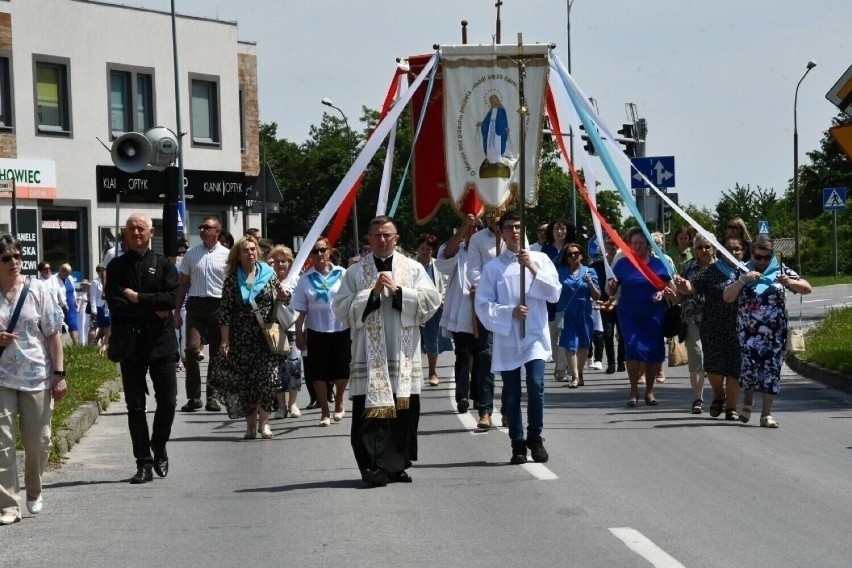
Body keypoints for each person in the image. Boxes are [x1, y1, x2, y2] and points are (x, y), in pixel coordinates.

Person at [332, 216, 440, 486]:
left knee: (403, 411)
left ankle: (396, 465)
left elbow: (432, 301)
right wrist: (372, 294)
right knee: (371, 414)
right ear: (368, 239)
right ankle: (371, 467)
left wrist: (400, 292)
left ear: (397, 238)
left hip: (403, 356)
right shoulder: (355, 273)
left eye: (387, 235)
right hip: (370, 357)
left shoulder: (413, 268)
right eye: (377, 235)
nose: (382, 240)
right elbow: (342, 309)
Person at [474, 212, 561, 464]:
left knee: (536, 385)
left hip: (534, 334)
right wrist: (508, 312)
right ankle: (517, 442)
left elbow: (554, 292)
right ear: (501, 232)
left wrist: (531, 268)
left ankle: (535, 436)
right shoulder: (493, 268)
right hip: (508, 336)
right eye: (509, 227)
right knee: (511, 392)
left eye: (518, 228)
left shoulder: (541, 259)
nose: (514, 232)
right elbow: (482, 304)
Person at [104, 213, 178, 484]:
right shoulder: (117, 266)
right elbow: (116, 305)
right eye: (131, 229)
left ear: (151, 232)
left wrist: (138, 298)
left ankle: (159, 443)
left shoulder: (164, 265)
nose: (136, 233)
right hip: (130, 345)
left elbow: (170, 299)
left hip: (162, 342)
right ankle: (143, 461)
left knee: (168, 402)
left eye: (140, 229)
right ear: (125, 234)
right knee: (135, 407)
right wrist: (151, 306)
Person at [0, 234, 67, 525]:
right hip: (2, 378)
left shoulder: (38, 289)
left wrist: (59, 374)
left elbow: (53, 334)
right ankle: (9, 505)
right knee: (1, 444)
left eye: (18, 256)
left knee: (39, 441)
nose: (14, 262)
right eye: (6, 258)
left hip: (37, 377)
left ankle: (34, 488)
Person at [722, 236, 811, 428]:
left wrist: (789, 282)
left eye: (766, 257)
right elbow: (727, 297)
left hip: (775, 333)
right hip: (748, 334)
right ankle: (748, 401)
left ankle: (766, 415)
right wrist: (742, 281)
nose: (762, 262)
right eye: (758, 257)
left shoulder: (779, 269)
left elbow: (807, 288)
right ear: (751, 253)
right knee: (749, 371)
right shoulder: (741, 270)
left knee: (772, 372)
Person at [213, 236, 282, 439]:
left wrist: (285, 296)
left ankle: (265, 423)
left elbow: (281, 295)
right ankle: (251, 426)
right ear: (238, 255)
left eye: (253, 249)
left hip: (267, 335)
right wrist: (225, 340)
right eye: (246, 250)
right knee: (246, 383)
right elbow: (225, 311)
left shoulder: (269, 274)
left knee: (267, 380)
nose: (251, 253)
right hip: (241, 337)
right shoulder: (232, 280)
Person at [675, 235, 744, 419]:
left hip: (738, 325)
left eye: (737, 249)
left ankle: (731, 408)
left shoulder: (746, 271)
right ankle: (718, 395)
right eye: (730, 250)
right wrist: (683, 285)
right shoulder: (712, 271)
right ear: (722, 252)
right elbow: (692, 286)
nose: (734, 253)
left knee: (734, 368)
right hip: (711, 324)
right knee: (714, 369)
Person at [605, 228, 673, 407]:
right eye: (634, 243)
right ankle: (633, 390)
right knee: (632, 348)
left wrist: (662, 293)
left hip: (653, 314)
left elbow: (670, 288)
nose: (638, 246)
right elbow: (610, 291)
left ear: (648, 245)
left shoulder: (659, 264)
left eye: (642, 243)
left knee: (652, 351)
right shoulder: (622, 264)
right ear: (629, 245)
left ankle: (649, 391)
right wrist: (611, 286)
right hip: (629, 314)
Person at [292, 237, 350, 427]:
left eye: (322, 250)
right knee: (318, 374)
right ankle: (325, 411)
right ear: (310, 255)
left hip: (341, 329)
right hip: (316, 331)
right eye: (315, 251)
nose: (319, 254)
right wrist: (299, 334)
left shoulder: (342, 274)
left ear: (329, 250)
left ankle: (340, 399)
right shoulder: (305, 279)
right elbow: (300, 310)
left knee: (342, 371)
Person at [174, 216, 229, 413]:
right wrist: (177, 311)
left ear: (217, 232)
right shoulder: (191, 254)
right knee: (190, 349)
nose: (203, 230)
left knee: (216, 352)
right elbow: (183, 284)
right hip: (195, 304)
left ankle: (212, 397)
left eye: (207, 227)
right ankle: (194, 397)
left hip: (218, 304)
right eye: (201, 226)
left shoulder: (227, 255)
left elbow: (231, 287)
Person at [435, 214, 480, 413]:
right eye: (471, 230)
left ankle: (479, 396)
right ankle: (462, 395)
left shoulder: (491, 252)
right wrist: (464, 227)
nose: (474, 233)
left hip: (484, 310)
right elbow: (444, 258)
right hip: (463, 312)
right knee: (463, 353)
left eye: (477, 229)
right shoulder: (459, 252)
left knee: (482, 356)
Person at [674, 234, 714, 414]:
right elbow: (680, 295)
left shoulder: (723, 267)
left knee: (715, 359)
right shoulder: (688, 267)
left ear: (713, 247)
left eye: (707, 246)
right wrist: (671, 295)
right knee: (697, 358)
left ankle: (720, 396)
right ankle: (698, 399)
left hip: (718, 319)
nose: (704, 251)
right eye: (699, 247)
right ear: (694, 249)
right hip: (693, 318)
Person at [556, 243, 601, 388]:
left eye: (576, 253)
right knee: (570, 344)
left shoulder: (590, 271)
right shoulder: (561, 272)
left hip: (584, 312)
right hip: (567, 313)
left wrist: (589, 282)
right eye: (570, 254)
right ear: (567, 258)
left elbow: (597, 295)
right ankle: (574, 376)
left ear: (581, 255)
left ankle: (580, 373)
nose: (573, 256)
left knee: (583, 345)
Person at [267, 245, 302, 419]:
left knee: (294, 365)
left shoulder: (296, 280)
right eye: (277, 261)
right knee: (276, 367)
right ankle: (281, 407)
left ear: (289, 263)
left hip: (293, 327)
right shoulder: (267, 279)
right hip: (274, 328)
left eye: (284, 261)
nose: (280, 264)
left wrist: (286, 297)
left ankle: (293, 404)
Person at [541, 219, 576, 383]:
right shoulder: (546, 249)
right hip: (549, 298)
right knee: (552, 334)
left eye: (562, 229)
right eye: (556, 229)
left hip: (567, 297)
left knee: (563, 332)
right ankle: (558, 362)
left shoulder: (572, 249)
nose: (560, 232)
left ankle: (561, 368)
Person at [415, 234, 449, 387]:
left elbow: (446, 284)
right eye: (422, 248)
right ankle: (413, 373)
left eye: (428, 249)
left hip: (434, 310)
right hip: (414, 308)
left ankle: (432, 371)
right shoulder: (410, 265)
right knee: (412, 341)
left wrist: (443, 298)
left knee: (432, 341)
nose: (424, 251)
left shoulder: (438, 266)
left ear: (433, 251)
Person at [590, 234, 624, 374]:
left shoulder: (622, 262)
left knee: (622, 335)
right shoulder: (599, 264)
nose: (611, 250)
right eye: (608, 248)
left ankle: (621, 361)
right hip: (605, 303)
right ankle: (611, 363)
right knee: (608, 334)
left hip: (620, 303)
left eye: (613, 248)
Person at [57, 264, 79, 345]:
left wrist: (75, 301)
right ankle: (60, 346)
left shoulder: (69, 278)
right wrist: (63, 305)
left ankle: (76, 346)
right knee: (60, 326)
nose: (67, 275)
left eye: (68, 274)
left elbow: (73, 291)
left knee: (73, 324)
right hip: (60, 305)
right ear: (61, 271)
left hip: (71, 304)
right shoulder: (54, 279)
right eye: (66, 273)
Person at [76, 279, 91, 346]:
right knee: (82, 325)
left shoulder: (90, 293)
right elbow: (78, 303)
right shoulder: (79, 293)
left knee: (88, 325)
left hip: (89, 311)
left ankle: (89, 341)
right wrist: (77, 310)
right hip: (82, 311)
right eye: (84, 285)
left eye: (86, 285)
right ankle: (82, 342)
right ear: (81, 285)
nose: (85, 286)